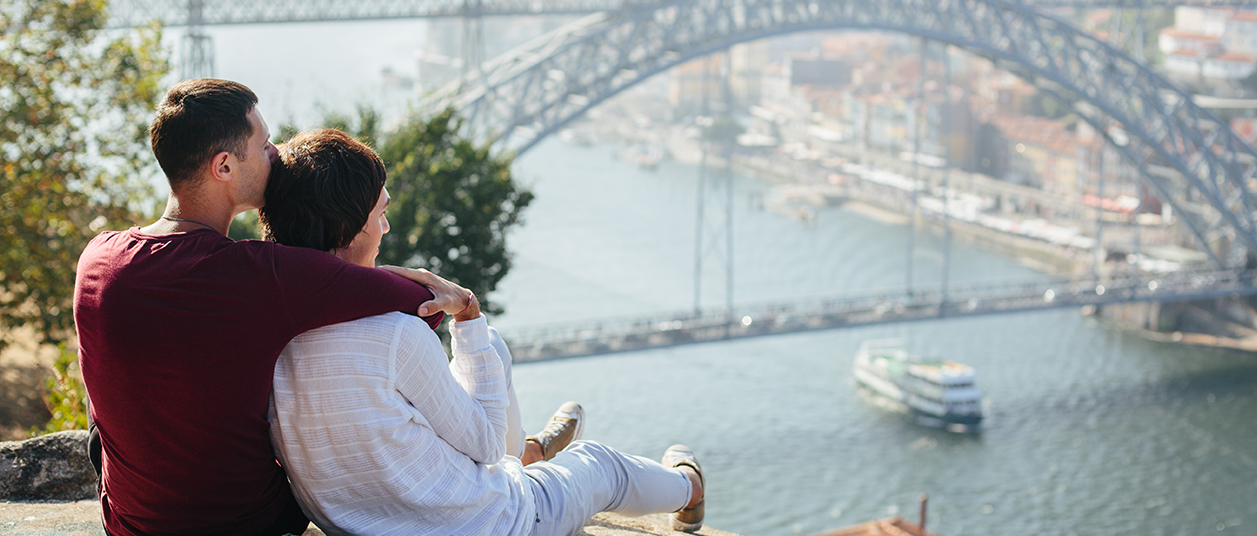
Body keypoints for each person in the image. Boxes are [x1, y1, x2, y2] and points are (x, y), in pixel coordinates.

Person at [73, 79, 473, 536]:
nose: (278, 154)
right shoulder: (261, 275)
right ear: (223, 166)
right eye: (264, 145)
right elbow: (421, 304)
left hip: (128, 525)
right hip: (253, 526)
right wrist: (453, 296)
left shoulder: (97, 256)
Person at [260, 128, 707, 536]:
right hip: (498, 522)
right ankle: (690, 487)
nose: (386, 227)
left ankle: (529, 455)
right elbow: (488, 444)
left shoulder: (266, 333)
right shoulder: (395, 335)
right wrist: (468, 315)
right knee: (600, 466)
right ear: (353, 226)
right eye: (381, 213)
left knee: (486, 352)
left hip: (361, 523)